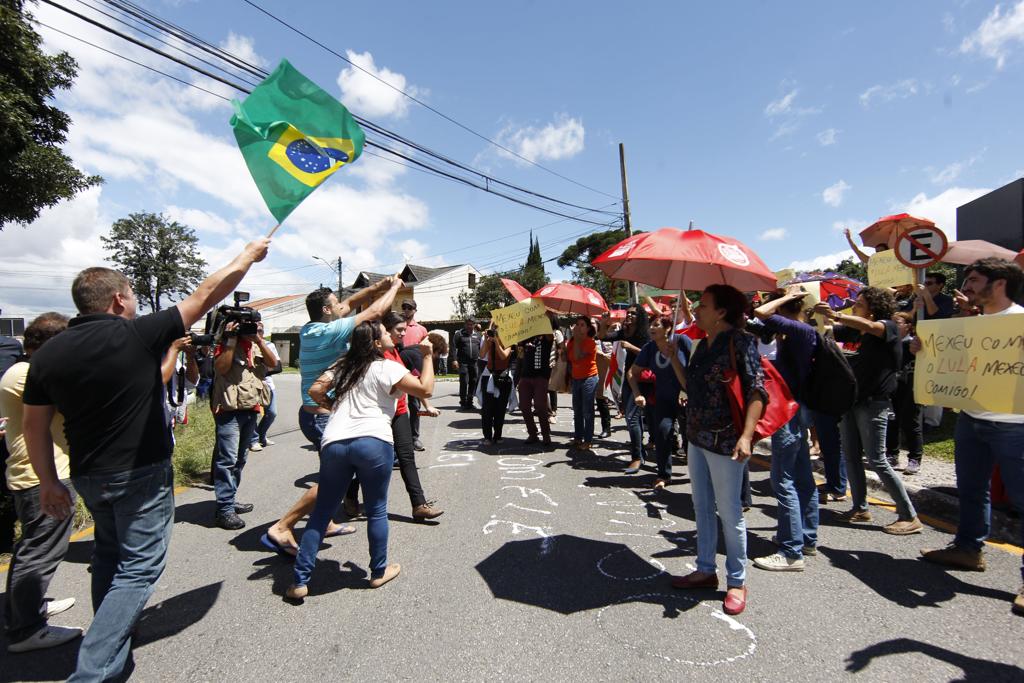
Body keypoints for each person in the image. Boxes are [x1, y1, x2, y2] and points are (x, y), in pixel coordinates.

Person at [24, 238, 270, 682]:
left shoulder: (49, 355)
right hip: (140, 472)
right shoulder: (136, 333)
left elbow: (33, 428)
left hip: (87, 475)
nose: (137, 302)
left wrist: (48, 482)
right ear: (119, 299)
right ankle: (93, 669)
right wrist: (247, 257)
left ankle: (115, 637)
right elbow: (206, 293)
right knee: (139, 568)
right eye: (134, 295)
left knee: (109, 555)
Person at [287, 322, 435, 599]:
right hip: (373, 441)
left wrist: (336, 410)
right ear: (377, 344)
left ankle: (299, 581)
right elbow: (425, 390)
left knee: (321, 514)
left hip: (334, 441)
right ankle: (378, 572)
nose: (391, 335)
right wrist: (428, 356)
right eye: (385, 332)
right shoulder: (386, 367)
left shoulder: (342, 366)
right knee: (377, 510)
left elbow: (315, 391)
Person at [262, 277, 403, 553]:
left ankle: (323, 522)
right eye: (337, 305)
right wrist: (395, 288)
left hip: (320, 413)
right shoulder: (327, 332)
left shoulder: (314, 328)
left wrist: (377, 287)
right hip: (321, 415)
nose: (344, 307)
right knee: (332, 479)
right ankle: (282, 526)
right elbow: (373, 313)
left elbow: (350, 302)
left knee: (335, 475)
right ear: (327, 310)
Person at [916, 258, 1024, 616]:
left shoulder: (1019, 322)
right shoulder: (971, 325)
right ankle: (968, 549)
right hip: (971, 419)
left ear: (999, 284)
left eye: (975, 280)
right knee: (972, 489)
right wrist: (925, 350)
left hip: (1014, 426)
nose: (967, 286)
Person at [671, 284, 764, 617]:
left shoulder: (743, 342)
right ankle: (705, 569)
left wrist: (747, 436)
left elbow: (757, 391)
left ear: (722, 311)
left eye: (703, 305)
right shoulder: (701, 345)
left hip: (726, 440)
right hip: (696, 436)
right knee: (701, 505)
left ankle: (737, 581)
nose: (696, 310)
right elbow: (690, 388)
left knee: (730, 511)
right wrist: (670, 358)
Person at [2, 313, 81, 653]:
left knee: (33, 547)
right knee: (40, 551)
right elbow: (76, 404)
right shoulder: (28, 374)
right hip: (41, 475)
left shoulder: (23, 369)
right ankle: (26, 629)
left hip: (38, 471)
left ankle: (25, 611)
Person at [814, 288, 923, 535]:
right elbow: (828, 331)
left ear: (872, 308)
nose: (853, 305)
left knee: (877, 460)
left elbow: (874, 328)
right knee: (851, 456)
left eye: (859, 303)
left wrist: (836, 315)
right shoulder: (859, 329)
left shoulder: (888, 326)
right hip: (853, 402)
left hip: (874, 403)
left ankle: (909, 515)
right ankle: (860, 508)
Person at [751, 287, 820, 572]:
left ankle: (791, 551)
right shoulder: (799, 333)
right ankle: (806, 539)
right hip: (796, 410)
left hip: (789, 412)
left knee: (784, 480)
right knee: (803, 476)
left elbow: (761, 314)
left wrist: (782, 299)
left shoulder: (800, 330)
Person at [209, 317, 279, 530]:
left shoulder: (256, 346)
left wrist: (259, 340)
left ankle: (229, 501)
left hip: (250, 409)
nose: (253, 329)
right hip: (229, 410)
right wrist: (230, 341)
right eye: (249, 327)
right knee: (227, 460)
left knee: (240, 459)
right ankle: (224, 510)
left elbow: (273, 364)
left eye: (257, 326)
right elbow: (220, 369)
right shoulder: (227, 344)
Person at [381, 313, 443, 520]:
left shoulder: (396, 352)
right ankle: (351, 495)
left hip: (399, 412)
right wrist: (427, 356)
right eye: (399, 330)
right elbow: (424, 388)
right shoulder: (380, 355)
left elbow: (418, 387)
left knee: (407, 457)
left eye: (404, 329)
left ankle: (419, 504)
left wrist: (426, 404)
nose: (403, 334)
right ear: (385, 330)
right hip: (380, 415)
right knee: (372, 460)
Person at [629, 317, 690, 489]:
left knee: (692, 439)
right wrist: (637, 394)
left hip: (688, 397)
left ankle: (700, 476)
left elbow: (698, 365)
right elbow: (632, 373)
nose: (651, 328)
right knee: (662, 431)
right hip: (664, 398)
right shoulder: (649, 349)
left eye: (656, 325)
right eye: (651, 325)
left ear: (668, 328)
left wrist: (687, 390)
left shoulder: (682, 341)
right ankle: (663, 474)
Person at [599, 304, 650, 472]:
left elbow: (650, 354)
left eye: (633, 314)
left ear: (640, 317)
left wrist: (631, 347)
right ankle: (640, 452)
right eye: (628, 313)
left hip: (642, 380)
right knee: (631, 418)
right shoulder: (624, 332)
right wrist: (604, 323)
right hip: (628, 380)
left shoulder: (646, 334)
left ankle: (636, 457)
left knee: (633, 419)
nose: (629, 316)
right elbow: (602, 337)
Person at [886, 312, 923, 475]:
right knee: (892, 420)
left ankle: (915, 458)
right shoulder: (890, 343)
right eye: (891, 322)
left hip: (910, 387)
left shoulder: (913, 343)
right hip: (893, 386)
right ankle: (892, 454)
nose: (893, 325)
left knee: (911, 422)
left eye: (898, 322)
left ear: (908, 326)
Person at [517, 331, 554, 447]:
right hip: (525, 376)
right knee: (524, 406)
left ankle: (546, 434)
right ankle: (532, 433)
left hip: (541, 377)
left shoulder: (546, 337)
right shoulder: (524, 337)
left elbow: (549, 334)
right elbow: (520, 356)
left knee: (540, 406)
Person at [567, 317, 599, 451]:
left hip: (589, 378)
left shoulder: (590, 343)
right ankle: (578, 437)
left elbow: (578, 357)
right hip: (576, 378)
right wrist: (563, 347)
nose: (579, 327)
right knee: (577, 410)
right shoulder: (571, 342)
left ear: (588, 329)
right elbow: (567, 358)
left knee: (587, 410)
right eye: (577, 324)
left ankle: (588, 440)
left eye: (582, 325)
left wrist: (576, 339)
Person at [479, 325, 513, 444]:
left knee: (500, 408)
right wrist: (486, 340)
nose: (497, 332)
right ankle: (487, 436)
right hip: (489, 375)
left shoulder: (509, 340)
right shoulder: (489, 340)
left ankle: (497, 435)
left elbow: (503, 356)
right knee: (487, 408)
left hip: (503, 377)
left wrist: (497, 342)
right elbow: (482, 355)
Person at [250, 322, 281, 452]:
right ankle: (253, 440)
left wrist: (260, 370)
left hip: (267, 384)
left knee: (272, 413)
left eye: (261, 331)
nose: (258, 333)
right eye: (256, 330)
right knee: (253, 414)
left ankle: (261, 435)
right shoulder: (247, 345)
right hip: (251, 385)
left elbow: (277, 367)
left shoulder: (269, 345)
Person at [452, 318, 481, 409]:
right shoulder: (459, 334)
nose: (469, 326)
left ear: (474, 325)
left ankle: (470, 401)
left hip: (475, 362)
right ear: (465, 325)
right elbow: (453, 347)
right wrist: (454, 359)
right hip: (463, 362)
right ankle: (463, 401)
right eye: (468, 324)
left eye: (471, 324)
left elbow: (482, 348)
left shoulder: (478, 335)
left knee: (473, 381)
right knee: (464, 381)